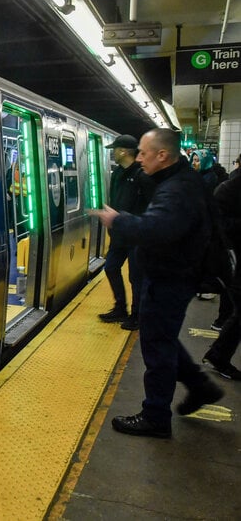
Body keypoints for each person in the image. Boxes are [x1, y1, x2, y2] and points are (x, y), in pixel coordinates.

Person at [89, 128, 224, 438]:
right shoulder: (178, 182)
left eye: (144, 154)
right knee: (162, 337)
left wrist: (118, 220)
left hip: (170, 277)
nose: (140, 159)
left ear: (162, 155)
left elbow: (158, 229)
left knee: (157, 347)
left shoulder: (176, 189)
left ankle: (155, 416)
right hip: (174, 275)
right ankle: (200, 386)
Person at [98, 135, 154, 330]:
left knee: (136, 277)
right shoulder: (117, 174)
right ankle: (120, 307)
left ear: (124, 151)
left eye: (115, 149)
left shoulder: (142, 175)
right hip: (119, 233)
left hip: (137, 235)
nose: (112, 152)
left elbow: (152, 205)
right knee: (111, 267)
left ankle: (137, 315)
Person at [203, 175, 241, 379]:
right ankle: (218, 355)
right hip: (233, 260)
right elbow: (219, 225)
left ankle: (218, 355)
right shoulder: (228, 189)